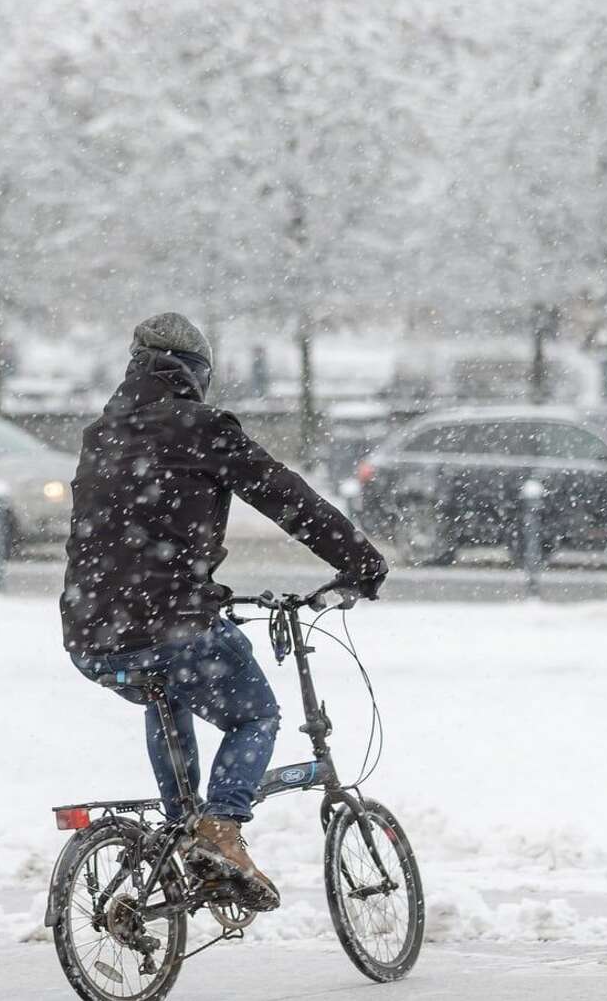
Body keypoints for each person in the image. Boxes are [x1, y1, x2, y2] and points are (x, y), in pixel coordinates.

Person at [60, 313, 388, 911]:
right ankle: (221, 829)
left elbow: (116, 537)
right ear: (195, 374)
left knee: (169, 691)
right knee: (255, 715)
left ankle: (185, 834)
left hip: (90, 634)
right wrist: (360, 562)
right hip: (171, 622)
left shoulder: (103, 432)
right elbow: (288, 497)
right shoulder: (200, 428)